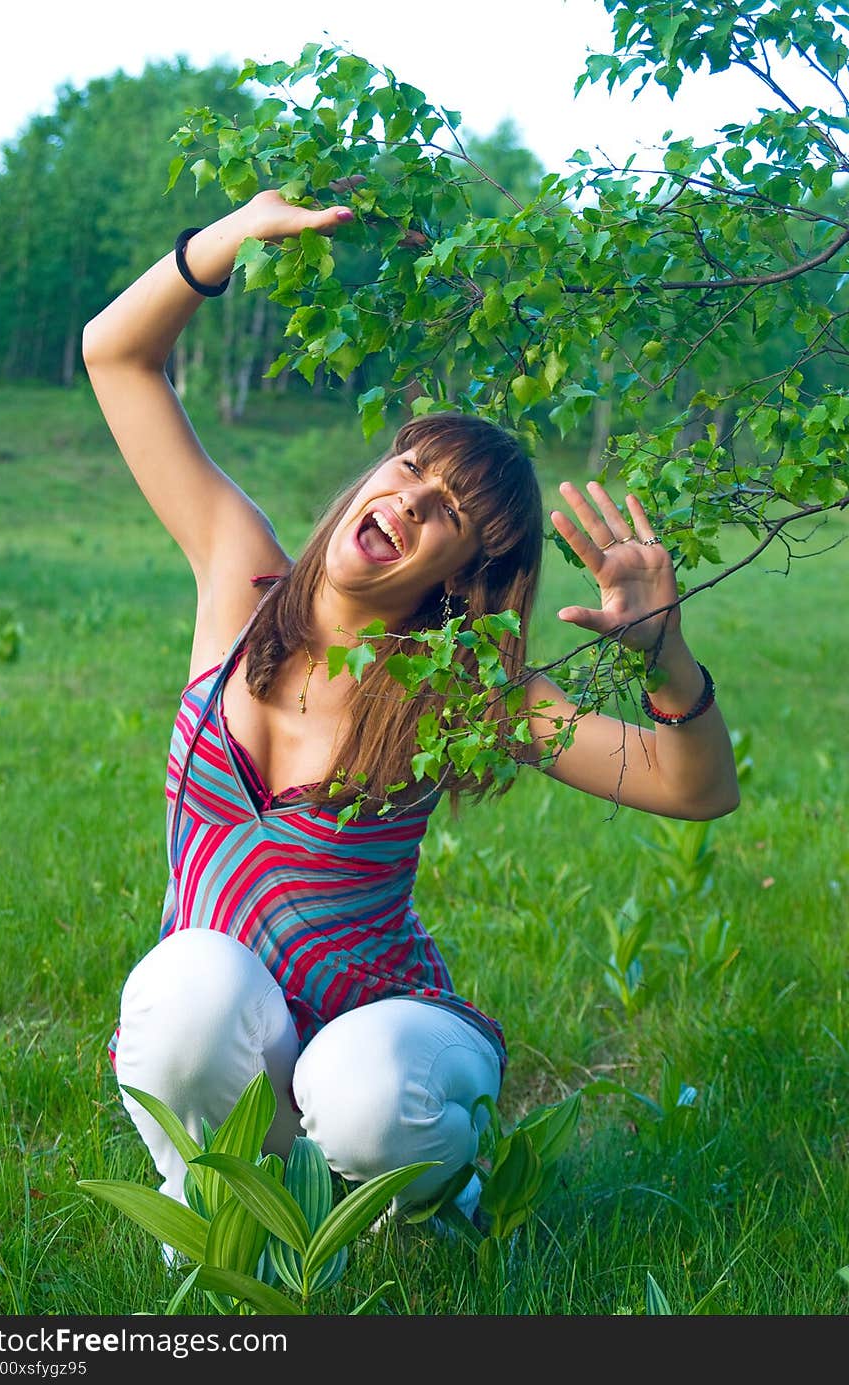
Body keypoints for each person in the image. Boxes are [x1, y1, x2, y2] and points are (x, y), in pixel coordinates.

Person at [81, 188, 740, 1229]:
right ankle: (219, 1207)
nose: (409, 499)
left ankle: (424, 1190)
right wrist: (236, 234)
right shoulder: (238, 580)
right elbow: (114, 356)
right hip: (238, 1029)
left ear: (460, 583)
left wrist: (664, 656)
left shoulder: (461, 690)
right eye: (409, 469)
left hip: (383, 1032)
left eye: (445, 513)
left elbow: (694, 788)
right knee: (187, 988)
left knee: (371, 1098)